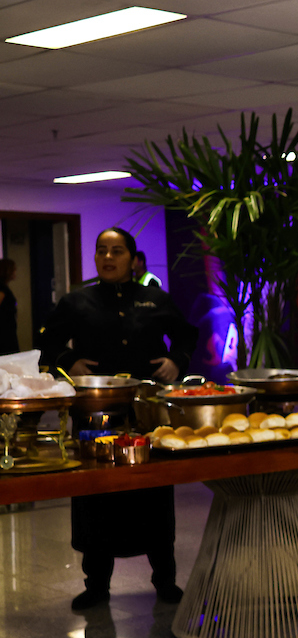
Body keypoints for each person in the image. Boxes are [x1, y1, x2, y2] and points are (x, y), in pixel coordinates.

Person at [37, 227, 197, 611]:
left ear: (133, 258)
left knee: (154, 493)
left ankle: (165, 580)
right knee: (98, 496)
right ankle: (96, 586)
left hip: (147, 413)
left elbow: (187, 335)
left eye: (117, 251)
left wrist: (177, 362)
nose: (108, 258)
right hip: (95, 413)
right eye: (101, 251)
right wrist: (67, 361)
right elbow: (48, 340)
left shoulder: (155, 299)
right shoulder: (78, 301)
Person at [0, 258, 17, 354]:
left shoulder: (4, 288)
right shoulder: (2, 288)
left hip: (8, 330)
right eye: (14, 269)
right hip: (4, 332)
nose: (15, 272)